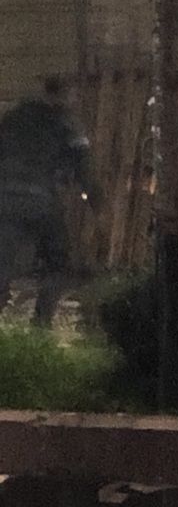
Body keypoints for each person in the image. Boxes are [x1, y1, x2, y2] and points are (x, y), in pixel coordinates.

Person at [0, 76, 96, 326]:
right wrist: (97, 202)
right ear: (66, 95)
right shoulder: (67, 125)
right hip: (41, 200)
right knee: (58, 262)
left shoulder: (13, 118)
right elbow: (83, 168)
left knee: (3, 263)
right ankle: (41, 322)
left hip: (5, 199)